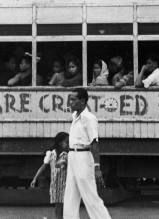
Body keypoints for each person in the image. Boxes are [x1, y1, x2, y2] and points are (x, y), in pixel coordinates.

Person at [63, 88, 111, 219]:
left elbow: (94, 143)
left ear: (82, 101)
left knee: (90, 195)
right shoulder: (75, 116)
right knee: (70, 195)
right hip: (73, 156)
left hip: (84, 157)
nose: (70, 102)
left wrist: (97, 167)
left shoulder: (89, 118)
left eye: (73, 100)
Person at [30, 132, 69, 219]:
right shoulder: (51, 154)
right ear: (60, 143)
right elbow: (43, 167)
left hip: (65, 185)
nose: (68, 144)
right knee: (58, 207)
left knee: (63, 207)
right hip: (55, 185)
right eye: (66, 142)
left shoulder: (67, 155)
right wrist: (35, 179)